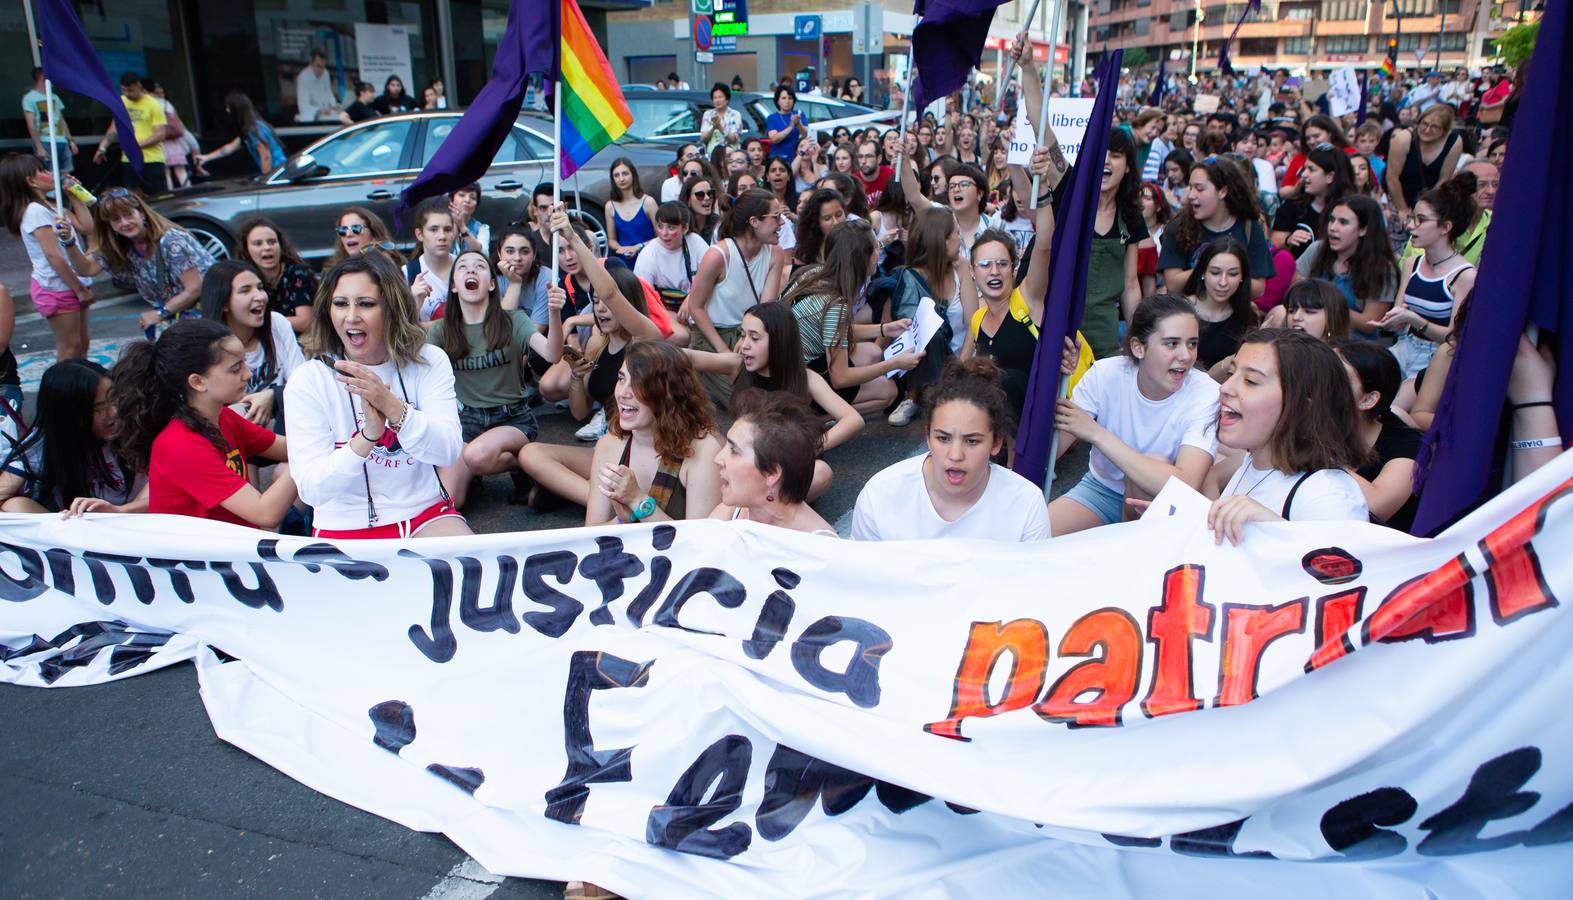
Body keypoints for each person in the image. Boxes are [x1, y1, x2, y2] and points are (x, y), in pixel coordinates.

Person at [285, 252, 468, 539]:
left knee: (467, 568)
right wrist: (368, 436)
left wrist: (395, 409)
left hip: (424, 515)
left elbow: (447, 451)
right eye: (341, 303)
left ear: (392, 308)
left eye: (366, 304)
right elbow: (312, 490)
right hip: (344, 526)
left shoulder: (429, 359)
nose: (351, 316)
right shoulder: (308, 379)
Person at [519, 205, 665, 505]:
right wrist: (576, 377)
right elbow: (578, 413)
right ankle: (599, 498)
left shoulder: (644, 336)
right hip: (611, 448)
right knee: (531, 454)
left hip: (650, 452)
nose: (601, 307)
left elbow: (611, 291)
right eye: (595, 302)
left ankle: (594, 498)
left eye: (607, 302)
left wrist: (572, 236)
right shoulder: (597, 345)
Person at [1050, 295, 1220, 535]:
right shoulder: (1106, 374)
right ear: (1138, 347)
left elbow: (1185, 484)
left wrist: (1098, 434)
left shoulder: (1206, 393)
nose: (1186, 355)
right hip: (1101, 490)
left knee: (1154, 466)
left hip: (1163, 501)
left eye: (1192, 343)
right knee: (1034, 534)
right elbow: (1051, 452)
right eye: (1172, 344)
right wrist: (1054, 379)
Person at [110, 320, 297, 529]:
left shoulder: (224, 416)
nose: (248, 374)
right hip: (202, 558)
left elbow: (288, 449)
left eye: (244, 363)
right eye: (236, 369)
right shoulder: (181, 446)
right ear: (198, 382)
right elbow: (266, 513)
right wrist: (316, 455)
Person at [851, 357, 1049, 542]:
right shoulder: (880, 495)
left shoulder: (1026, 503)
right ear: (928, 436)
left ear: (996, 442)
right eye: (943, 438)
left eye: (972, 441)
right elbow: (860, 575)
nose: (955, 455)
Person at [1204, 329, 1369, 543]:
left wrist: (1274, 527)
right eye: (1231, 374)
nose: (1226, 387)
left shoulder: (1329, 497)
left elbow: (1343, 573)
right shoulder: (1253, 460)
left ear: (1303, 405)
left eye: (1251, 381)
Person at [685, 302, 863, 500]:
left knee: (821, 472)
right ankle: (753, 503)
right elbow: (689, 358)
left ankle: (753, 504)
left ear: (780, 341)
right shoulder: (737, 365)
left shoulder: (806, 378)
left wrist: (813, 445)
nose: (744, 345)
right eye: (742, 335)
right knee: (709, 444)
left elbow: (852, 419)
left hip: (783, 468)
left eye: (754, 338)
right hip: (744, 461)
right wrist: (650, 347)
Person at [429, 249, 564, 508]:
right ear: (454, 287)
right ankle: (504, 470)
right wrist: (414, 300)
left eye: (479, 266)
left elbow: (553, 353)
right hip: (466, 422)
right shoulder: (440, 330)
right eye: (463, 267)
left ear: (492, 283)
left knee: (477, 456)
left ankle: (528, 463)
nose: (470, 270)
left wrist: (555, 313)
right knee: (448, 503)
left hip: (512, 418)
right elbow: (411, 363)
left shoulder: (514, 320)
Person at [585, 340, 722, 526]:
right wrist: (622, 520)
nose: (623, 393)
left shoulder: (703, 450)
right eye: (622, 378)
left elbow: (697, 544)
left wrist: (637, 500)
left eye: (638, 383)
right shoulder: (609, 444)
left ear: (668, 393)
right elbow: (591, 533)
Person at [683, 189, 788, 407]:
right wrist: (723, 352)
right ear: (754, 222)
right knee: (748, 403)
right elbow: (695, 307)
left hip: (751, 334)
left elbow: (765, 310)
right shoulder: (719, 255)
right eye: (776, 217)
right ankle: (706, 375)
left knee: (780, 395)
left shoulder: (775, 253)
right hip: (713, 335)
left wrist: (747, 338)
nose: (782, 223)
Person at [0, 359, 145, 516]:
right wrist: (62, 523)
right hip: (84, 532)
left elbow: (167, 493)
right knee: (15, 506)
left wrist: (120, 511)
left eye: (114, 400)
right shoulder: (46, 445)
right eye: (99, 408)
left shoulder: (138, 426)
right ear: (69, 417)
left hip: (141, 521)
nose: (113, 413)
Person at [68, 187, 214, 338]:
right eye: (116, 219)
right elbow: (86, 269)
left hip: (208, 311)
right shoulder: (121, 246)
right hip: (177, 317)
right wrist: (68, 242)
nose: (124, 223)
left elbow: (195, 288)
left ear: (142, 214)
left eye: (129, 214)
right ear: (110, 225)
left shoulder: (171, 241)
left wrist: (160, 313)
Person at [1378, 176, 1477, 380]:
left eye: (1421, 220)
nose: (1411, 226)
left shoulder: (1465, 275)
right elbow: (1398, 321)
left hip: (1437, 359)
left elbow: (1453, 337)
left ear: (1445, 227)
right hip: (1404, 347)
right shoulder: (1411, 264)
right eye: (1413, 218)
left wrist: (1415, 320)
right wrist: (1386, 323)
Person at [1, 153, 94, 360]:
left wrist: (73, 196)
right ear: (31, 182)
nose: (50, 174)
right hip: (58, 287)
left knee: (83, 342)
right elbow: (53, 256)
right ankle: (61, 390)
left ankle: (81, 387)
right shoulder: (35, 211)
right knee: (71, 347)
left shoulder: (52, 205)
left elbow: (87, 227)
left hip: (73, 282)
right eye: (42, 171)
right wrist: (79, 290)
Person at [198, 260, 305, 433]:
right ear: (224, 303)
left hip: (284, 424)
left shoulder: (276, 323)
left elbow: (304, 383)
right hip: (235, 434)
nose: (260, 296)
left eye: (260, 287)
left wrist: (273, 396)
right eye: (245, 290)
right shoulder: (206, 344)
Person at [710, 390, 836, 535]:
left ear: (771, 473)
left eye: (734, 450)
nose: (718, 458)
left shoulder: (819, 546)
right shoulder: (732, 510)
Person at [1336, 340, 1420, 531]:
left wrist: (1314, 451)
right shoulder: (1315, 420)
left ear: (1368, 399)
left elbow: (1376, 508)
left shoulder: (1406, 447)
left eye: (1337, 378)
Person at [1158, 159, 1273, 298]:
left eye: (1200, 189)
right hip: (1190, 313)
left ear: (1223, 191)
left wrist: (1227, 275)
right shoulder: (1178, 227)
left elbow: (1259, 288)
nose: (1191, 195)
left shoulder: (1249, 226)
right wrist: (1207, 267)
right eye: (1190, 188)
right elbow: (1173, 285)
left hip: (1233, 313)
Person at [1294, 195, 1399, 340]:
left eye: (1343, 222)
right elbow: (1294, 292)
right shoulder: (1317, 249)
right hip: (1311, 332)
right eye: (1331, 220)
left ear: (1363, 229)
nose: (1332, 228)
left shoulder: (1381, 268)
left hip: (1353, 342)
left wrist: (1330, 306)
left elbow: (1370, 323)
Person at [1181, 239, 1258, 373]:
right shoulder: (1180, 310)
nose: (1223, 282)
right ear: (1202, 273)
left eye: (1232, 274)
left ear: (1242, 277)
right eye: (1215, 272)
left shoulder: (1247, 314)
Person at [1270, 144, 1355, 260]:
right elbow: (1274, 243)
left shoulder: (1351, 209)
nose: (1304, 175)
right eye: (1304, 169)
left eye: (1311, 169)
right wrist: (1288, 240)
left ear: (1330, 176)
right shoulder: (1293, 205)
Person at [1385, 103, 1463, 226]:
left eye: (1435, 127)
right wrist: (1403, 209)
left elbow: (1444, 179)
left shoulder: (1454, 142)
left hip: (1431, 202)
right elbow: (1392, 177)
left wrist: (1426, 208)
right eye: (1424, 124)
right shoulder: (1403, 139)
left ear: (1445, 130)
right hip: (1400, 198)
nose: (1427, 130)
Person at [237, 216, 317, 334]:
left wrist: (262, 320)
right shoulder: (244, 278)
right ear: (246, 249)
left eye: (272, 242)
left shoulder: (297, 273)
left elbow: (305, 322)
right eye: (258, 243)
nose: (267, 247)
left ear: (280, 245)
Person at [92, 73, 167, 194]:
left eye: (130, 90)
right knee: (132, 195)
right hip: (129, 159)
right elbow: (114, 128)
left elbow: (160, 134)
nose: (127, 93)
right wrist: (103, 146)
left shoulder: (153, 104)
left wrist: (136, 146)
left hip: (151, 159)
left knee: (157, 195)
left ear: (139, 86)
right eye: (124, 90)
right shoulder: (121, 101)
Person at [634, 201, 708, 310]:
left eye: (671, 227)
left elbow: (714, 275)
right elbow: (644, 300)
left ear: (685, 228)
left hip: (701, 305)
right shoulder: (648, 255)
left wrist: (692, 298)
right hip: (666, 313)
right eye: (660, 226)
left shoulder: (694, 241)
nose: (664, 233)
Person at [194, 91, 287, 174]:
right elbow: (229, 148)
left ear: (236, 109)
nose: (227, 111)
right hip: (279, 171)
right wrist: (206, 157)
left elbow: (265, 156)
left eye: (229, 108)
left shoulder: (253, 130)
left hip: (278, 173)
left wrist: (266, 180)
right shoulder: (251, 127)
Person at [405, 200, 456, 322]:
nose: (442, 236)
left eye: (447, 229)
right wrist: (413, 301)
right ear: (419, 234)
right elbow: (399, 329)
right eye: (433, 229)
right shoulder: (408, 273)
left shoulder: (465, 267)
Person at [493, 222, 553, 327]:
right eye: (510, 251)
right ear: (499, 254)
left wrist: (515, 282)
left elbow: (535, 331)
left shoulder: (546, 279)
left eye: (524, 252)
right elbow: (501, 328)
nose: (517, 258)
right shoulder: (492, 279)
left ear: (534, 255)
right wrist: (515, 283)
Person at [23, 67, 77, 174]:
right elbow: (31, 124)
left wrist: (70, 141)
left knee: (67, 175)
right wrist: (39, 146)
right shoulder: (29, 98)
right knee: (49, 175)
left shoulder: (55, 97)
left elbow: (61, 119)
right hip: (45, 141)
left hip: (61, 140)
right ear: (41, 77)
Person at [605, 158, 657, 266]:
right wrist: (623, 249)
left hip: (649, 260)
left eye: (625, 173)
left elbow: (661, 236)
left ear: (633, 175)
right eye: (616, 175)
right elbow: (611, 240)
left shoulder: (648, 202)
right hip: (624, 264)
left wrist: (638, 247)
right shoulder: (610, 206)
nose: (621, 178)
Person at [147, 82, 192, 189]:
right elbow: (178, 121)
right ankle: (189, 190)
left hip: (161, 142)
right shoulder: (167, 103)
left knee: (166, 173)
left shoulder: (150, 104)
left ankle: (170, 194)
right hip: (174, 142)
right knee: (180, 170)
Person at [792, 188, 847, 268]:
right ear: (816, 222)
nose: (835, 222)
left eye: (838, 215)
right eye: (827, 218)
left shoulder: (857, 241)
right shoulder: (805, 253)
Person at [327, 206, 393, 267]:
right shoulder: (333, 270)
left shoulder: (389, 266)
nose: (348, 234)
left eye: (356, 228)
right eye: (343, 230)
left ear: (374, 234)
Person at [294, 50, 342, 122]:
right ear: (311, 63)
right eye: (318, 66)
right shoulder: (303, 78)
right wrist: (320, 111)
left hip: (328, 113)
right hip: (312, 117)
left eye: (323, 66)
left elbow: (328, 92)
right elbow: (303, 106)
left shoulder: (325, 73)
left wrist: (334, 105)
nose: (321, 70)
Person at [699, 83, 744, 155]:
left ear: (727, 99)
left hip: (731, 155)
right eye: (715, 97)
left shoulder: (735, 115)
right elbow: (703, 138)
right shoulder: (708, 114)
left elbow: (733, 139)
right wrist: (713, 127)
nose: (717, 100)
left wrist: (720, 127)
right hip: (712, 155)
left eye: (720, 97)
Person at [449, 183, 491, 256]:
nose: (467, 200)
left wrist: (462, 227)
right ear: (451, 200)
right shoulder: (441, 224)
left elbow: (485, 255)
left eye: (473, 198)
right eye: (462, 195)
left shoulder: (482, 228)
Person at [681, 173, 721, 244]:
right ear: (688, 200)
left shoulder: (718, 224)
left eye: (710, 193)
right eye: (700, 195)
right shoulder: (680, 226)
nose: (707, 198)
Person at [854, 139, 895, 207]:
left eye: (869, 156)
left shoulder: (890, 175)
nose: (863, 161)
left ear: (879, 159)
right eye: (860, 157)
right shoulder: (853, 182)